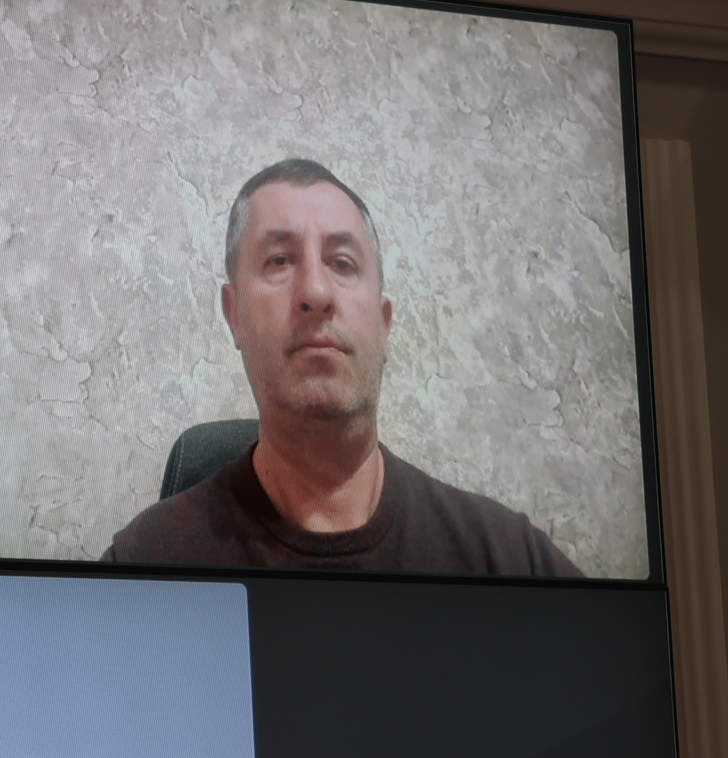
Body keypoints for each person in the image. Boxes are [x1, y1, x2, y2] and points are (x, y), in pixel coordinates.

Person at [102, 159, 581, 575]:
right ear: (235, 315)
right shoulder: (148, 566)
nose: (316, 292)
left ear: (384, 322)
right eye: (280, 260)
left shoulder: (509, 560)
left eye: (343, 263)